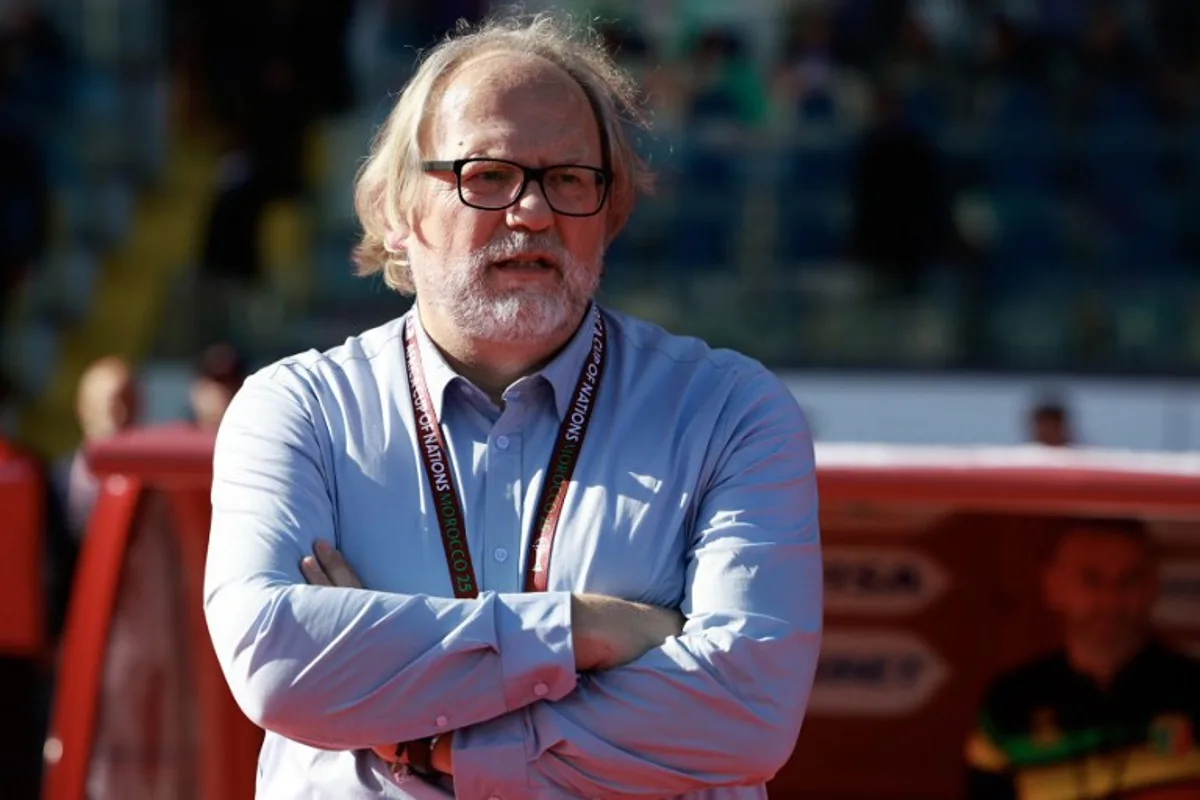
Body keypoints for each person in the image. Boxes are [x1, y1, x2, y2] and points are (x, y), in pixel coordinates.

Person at [203, 12, 822, 799]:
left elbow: (747, 713)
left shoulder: (730, 413)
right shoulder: (296, 411)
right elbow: (278, 666)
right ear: (397, 213)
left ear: (611, 212)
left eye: (568, 179)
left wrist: (417, 726)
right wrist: (584, 632)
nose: (532, 212)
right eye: (487, 175)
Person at [964, 517, 1200, 800]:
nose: (1111, 599)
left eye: (1129, 579)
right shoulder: (1010, 701)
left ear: (1153, 586)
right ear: (1053, 586)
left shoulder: (1193, 690)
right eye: (1092, 580)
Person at [56, 356, 141, 539]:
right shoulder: (54, 480)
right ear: (81, 407)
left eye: (126, 400)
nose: (118, 412)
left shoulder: (153, 483)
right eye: (107, 403)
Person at [188, 341, 247, 431]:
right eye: (212, 383)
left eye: (228, 383)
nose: (220, 393)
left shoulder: (257, 438)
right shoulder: (170, 440)